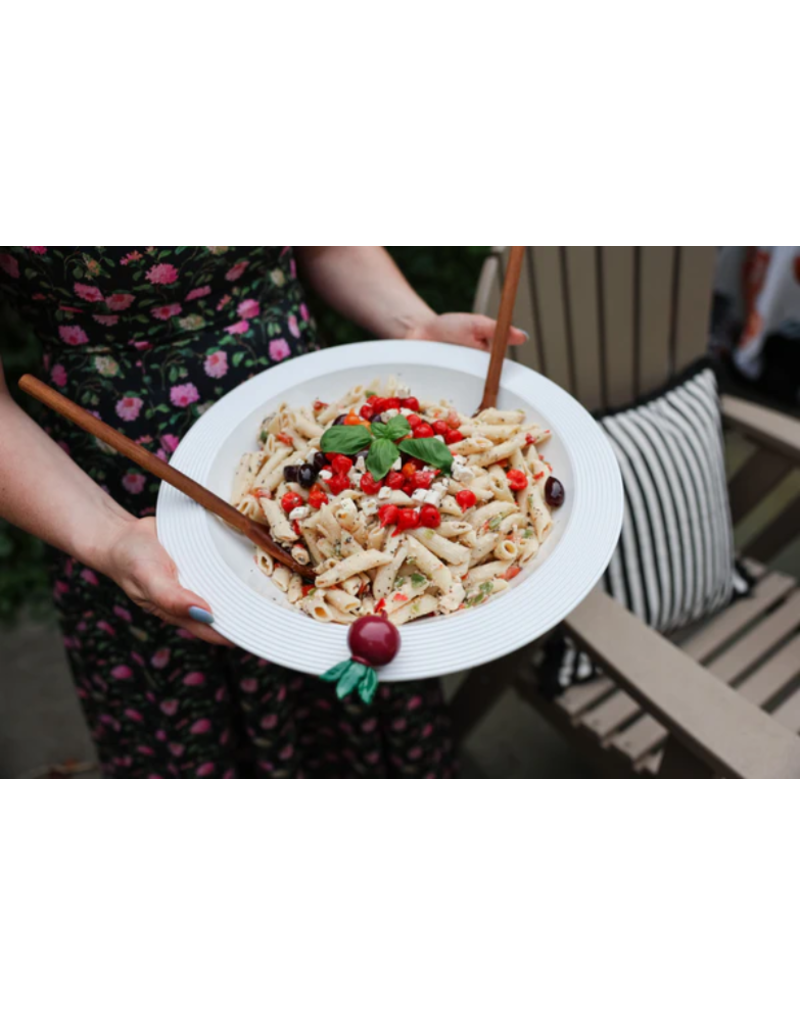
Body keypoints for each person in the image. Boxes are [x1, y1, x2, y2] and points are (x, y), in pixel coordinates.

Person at [0, 245, 524, 779]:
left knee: (357, 711)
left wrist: (414, 323)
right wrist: (108, 537)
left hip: (313, 422)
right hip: (116, 488)